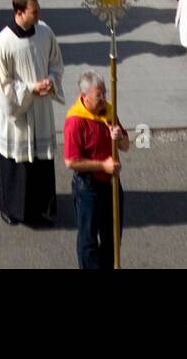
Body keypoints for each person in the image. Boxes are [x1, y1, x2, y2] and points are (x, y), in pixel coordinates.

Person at [0, 0, 63, 228]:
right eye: (34, 11)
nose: (39, 15)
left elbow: (56, 62)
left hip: (40, 110)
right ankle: (10, 207)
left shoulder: (45, 33)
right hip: (17, 116)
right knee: (15, 164)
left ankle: (42, 208)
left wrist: (51, 80)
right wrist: (31, 88)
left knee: (40, 163)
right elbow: (3, 86)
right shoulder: (2, 44)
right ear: (19, 12)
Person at [63, 71, 129, 270]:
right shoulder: (75, 121)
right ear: (84, 97)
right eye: (98, 96)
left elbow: (126, 146)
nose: (103, 100)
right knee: (88, 239)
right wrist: (103, 166)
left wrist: (118, 138)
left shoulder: (108, 111)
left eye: (104, 94)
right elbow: (71, 162)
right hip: (88, 187)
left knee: (112, 235)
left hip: (111, 184)